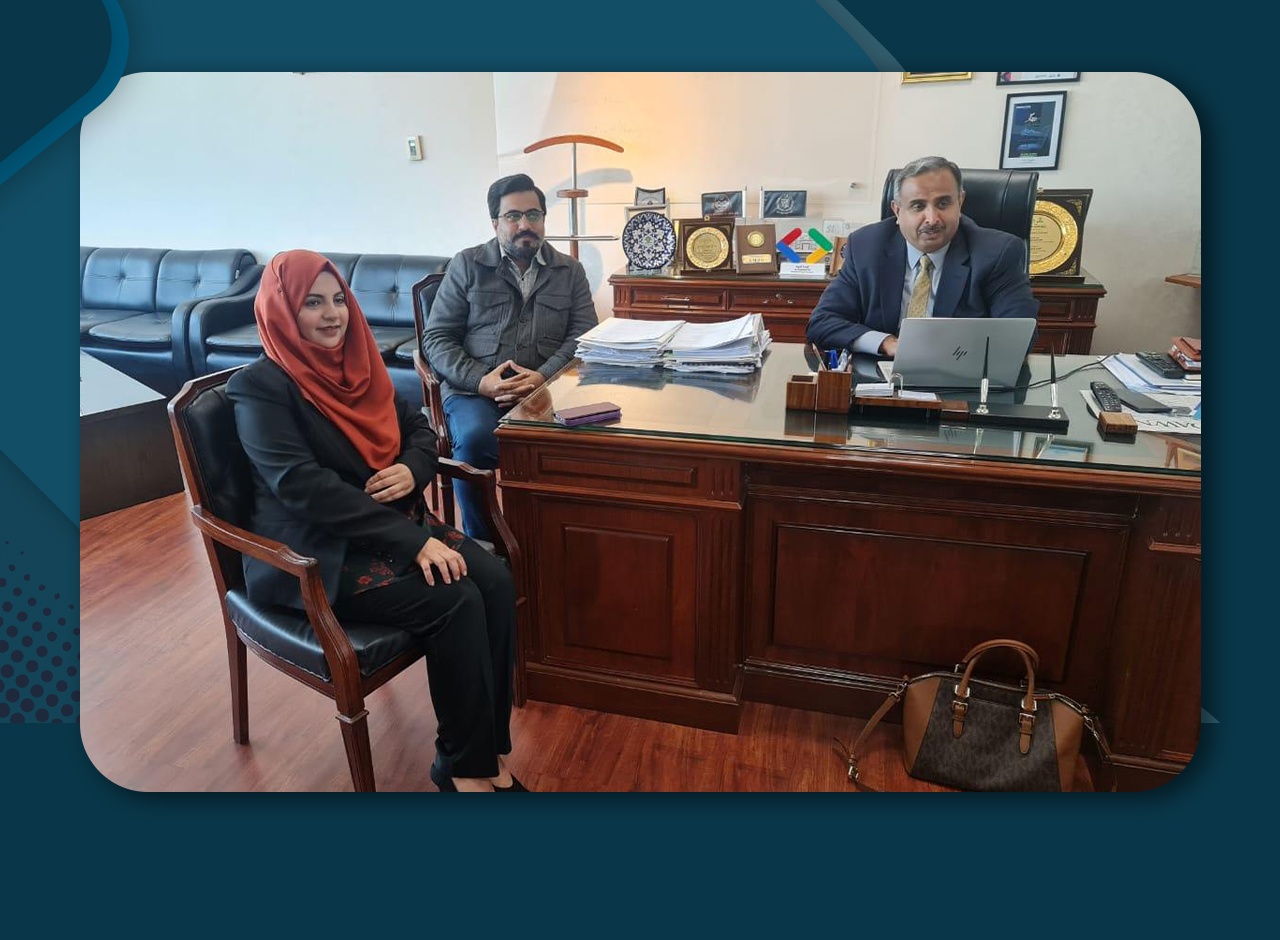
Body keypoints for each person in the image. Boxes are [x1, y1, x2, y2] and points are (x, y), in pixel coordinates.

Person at [227, 249, 524, 793]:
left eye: (338, 299)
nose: (332, 314)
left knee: (496, 582)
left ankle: (486, 751)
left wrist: (413, 469)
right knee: (456, 599)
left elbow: (419, 430)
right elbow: (301, 487)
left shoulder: (359, 367)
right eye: (312, 303)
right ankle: (464, 767)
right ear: (281, 310)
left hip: (387, 526)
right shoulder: (261, 387)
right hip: (315, 553)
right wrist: (412, 541)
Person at [421, 173, 598, 539]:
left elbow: (583, 337)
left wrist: (544, 377)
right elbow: (437, 338)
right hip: (475, 392)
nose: (524, 225)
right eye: (513, 216)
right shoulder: (466, 265)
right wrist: (480, 381)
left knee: (588, 444)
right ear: (495, 223)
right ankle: (486, 545)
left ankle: (559, 539)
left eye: (533, 215)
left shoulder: (570, 271)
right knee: (475, 440)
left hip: (547, 391)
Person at [806, 156, 1038, 357]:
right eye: (918, 206)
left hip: (960, 378)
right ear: (897, 211)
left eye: (943, 204)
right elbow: (822, 322)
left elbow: (1017, 338)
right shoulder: (866, 246)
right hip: (879, 376)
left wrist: (937, 354)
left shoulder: (997, 253)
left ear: (960, 202)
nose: (932, 218)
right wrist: (887, 343)